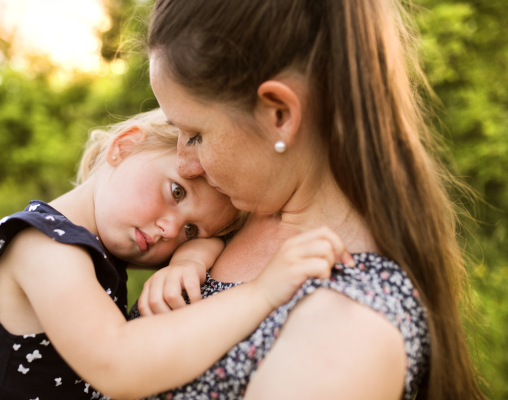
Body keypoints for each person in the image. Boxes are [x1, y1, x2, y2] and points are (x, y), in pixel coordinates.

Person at [134, 0, 486, 399]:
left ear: (279, 113)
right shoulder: (229, 216)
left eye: (196, 135)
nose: (185, 165)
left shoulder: (349, 329)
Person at [0, 109, 355, 400]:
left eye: (191, 229)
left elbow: (214, 239)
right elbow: (118, 364)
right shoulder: (43, 247)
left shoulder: (91, 244)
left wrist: (192, 258)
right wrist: (261, 292)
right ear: (125, 146)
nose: (171, 229)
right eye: (176, 191)